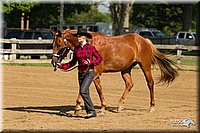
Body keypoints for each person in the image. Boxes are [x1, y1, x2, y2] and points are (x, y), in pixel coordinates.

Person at [57, 28, 103, 119]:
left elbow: (99, 59)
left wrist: (91, 63)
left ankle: (92, 111)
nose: (78, 38)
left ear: (85, 37)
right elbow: (72, 62)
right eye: (78, 36)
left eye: (80, 36)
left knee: (83, 91)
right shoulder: (77, 49)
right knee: (85, 92)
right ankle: (89, 111)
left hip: (89, 72)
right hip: (80, 73)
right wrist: (61, 66)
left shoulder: (91, 48)